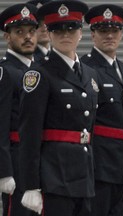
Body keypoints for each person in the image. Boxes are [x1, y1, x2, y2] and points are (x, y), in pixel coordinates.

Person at [18, 0, 99, 215]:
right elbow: (29, 132)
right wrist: (31, 185)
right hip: (54, 177)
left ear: (81, 33)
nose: (65, 35)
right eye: (57, 29)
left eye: (71, 29)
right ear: (49, 33)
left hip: (85, 177)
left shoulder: (90, 75)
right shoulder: (39, 74)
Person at [80, 4, 123, 216]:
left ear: (121, 34)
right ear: (92, 35)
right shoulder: (86, 68)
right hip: (99, 165)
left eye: (115, 31)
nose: (110, 35)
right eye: (103, 31)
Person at [0, 3, 39, 216]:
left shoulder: (38, 72)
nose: (27, 37)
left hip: (38, 162)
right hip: (16, 163)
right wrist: (4, 172)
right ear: (8, 37)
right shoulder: (5, 72)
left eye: (32, 31)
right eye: (19, 32)